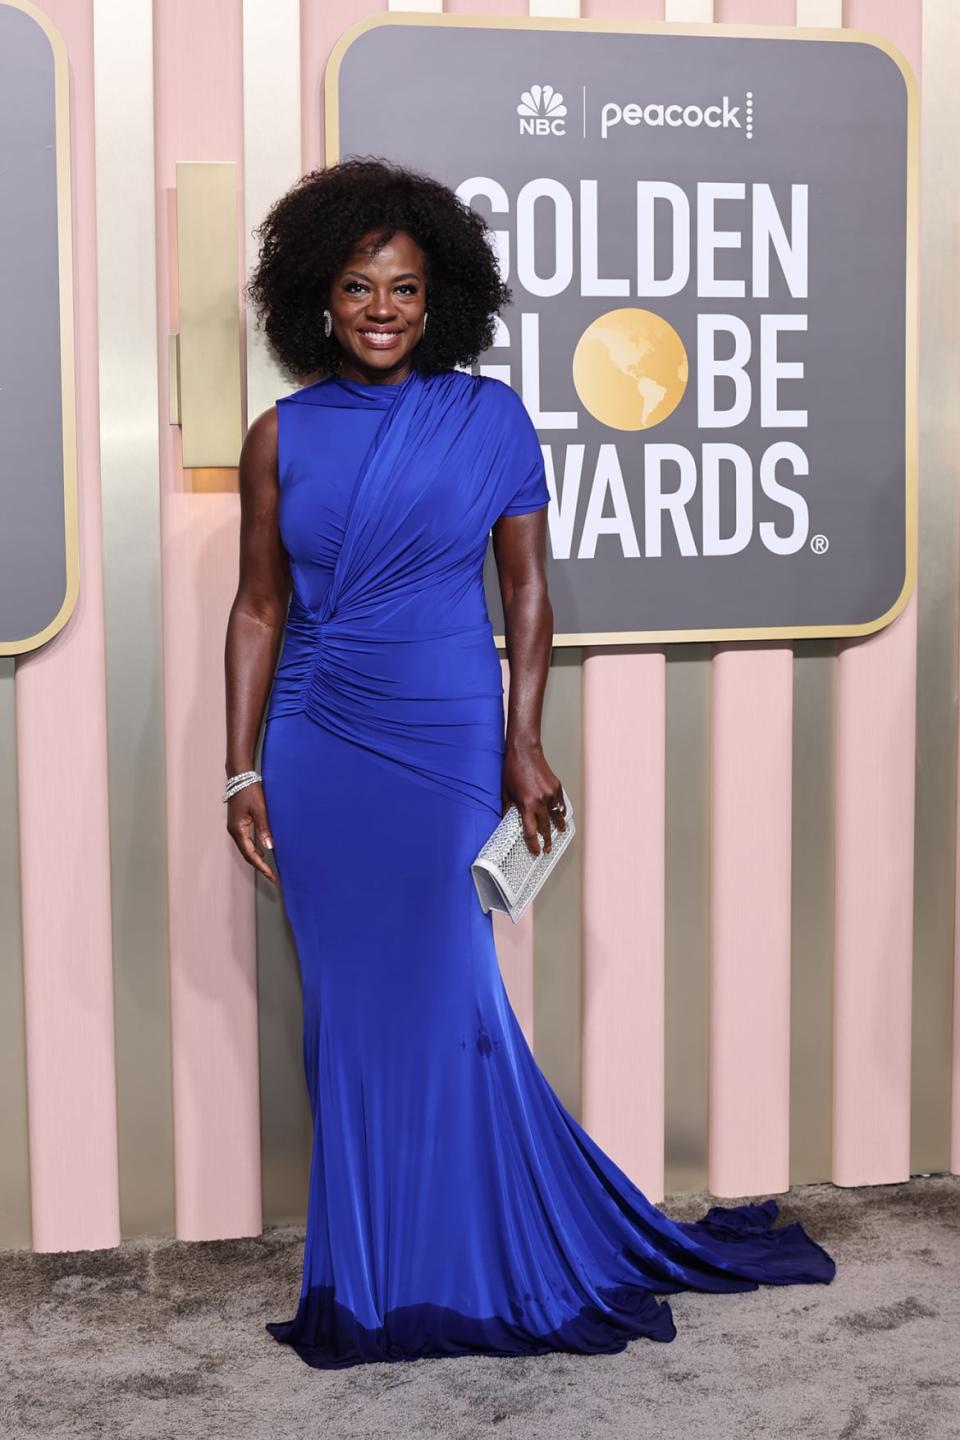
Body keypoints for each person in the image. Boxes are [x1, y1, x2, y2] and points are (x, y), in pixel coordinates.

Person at [225, 157, 836, 1369]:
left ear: (439, 294)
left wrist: (523, 739)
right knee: (344, 1017)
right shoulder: (279, 434)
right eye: (356, 287)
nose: (382, 308)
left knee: (449, 995)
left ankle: (467, 1252)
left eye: (403, 286)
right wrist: (239, 770)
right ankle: (373, 1271)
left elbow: (528, 591)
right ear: (317, 300)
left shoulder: (491, 418)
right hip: (318, 739)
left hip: (445, 728)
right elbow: (257, 610)